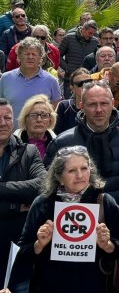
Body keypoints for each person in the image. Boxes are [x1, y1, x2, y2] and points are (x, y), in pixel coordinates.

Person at [14, 145, 119, 292]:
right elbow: (21, 255)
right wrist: (39, 245)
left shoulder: (104, 202)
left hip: (95, 286)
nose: (80, 175)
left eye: (84, 168)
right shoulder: (43, 203)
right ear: (59, 177)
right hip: (50, 287)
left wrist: (108, 245)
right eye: (72, 171)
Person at [45, 81, 119, 225]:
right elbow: (50, 184)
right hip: (73, 222)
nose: (99, 109)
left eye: (104, 103)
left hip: (117, 219)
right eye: (92, 104)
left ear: (112, 104)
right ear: (81, 106)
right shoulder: (61, 143)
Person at [0, 98, 46, 285]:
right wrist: (15, 207)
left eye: (7, 117)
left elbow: (42, 185)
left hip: (18, 252)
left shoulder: (28, 152)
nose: (2, 123)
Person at [0, 37, 61, 122]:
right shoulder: (6, 78)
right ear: (19, 57)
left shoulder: (51, 81)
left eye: (34, 54)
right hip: (11, 133)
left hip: (40, 134)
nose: (30, 57)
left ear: (40, 58)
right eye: (26, 54)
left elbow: (55, 112)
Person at [15, 94, 57, 158]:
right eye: (33, 115)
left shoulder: (57, 145)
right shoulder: (13, 145)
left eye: (44, 115)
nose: (39, 120)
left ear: (50, 120)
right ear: (25, 119)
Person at [54, 67, 92, 134]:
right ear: (72, 88)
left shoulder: (100, 105)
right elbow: (57, 133)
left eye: (88, 82)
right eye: (80, 84)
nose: (85, 86)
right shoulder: (64, 107)